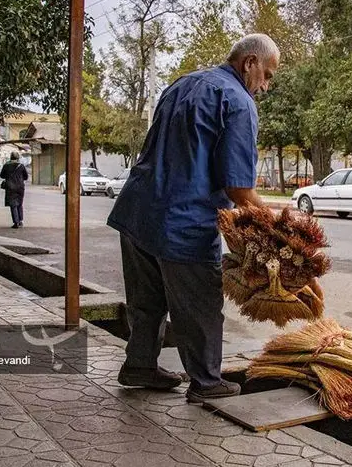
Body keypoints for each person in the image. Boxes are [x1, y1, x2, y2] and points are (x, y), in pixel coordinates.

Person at [107, 34, 279, 403]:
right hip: (183, 221)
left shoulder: (182, 83)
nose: (265, 86)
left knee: (146, 301)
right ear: (249, 62)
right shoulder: (237, 101)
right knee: (200, 304)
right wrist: (277, 229)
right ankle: (206, 383)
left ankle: (139, 367)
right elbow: (239, 188)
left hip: (137, 210)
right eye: (266, 74)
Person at [0, 152, 28, 229]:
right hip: (20, 188)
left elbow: (1, 175)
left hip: (10, 187)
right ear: (17, 158)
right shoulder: (21, 166)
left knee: (13, 205)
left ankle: (16, 222)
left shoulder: (6, 165)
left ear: (10, 157)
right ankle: (21, 221)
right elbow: (26, 177)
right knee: (19, 204)